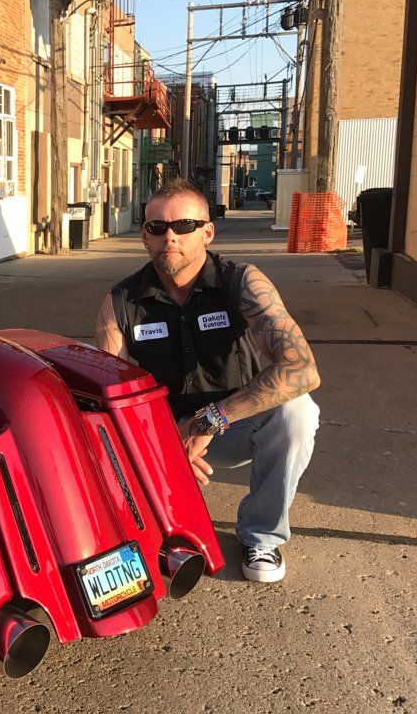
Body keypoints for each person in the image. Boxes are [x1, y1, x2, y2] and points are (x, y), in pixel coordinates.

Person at [95, 179, 320, 583]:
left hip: (234, 425)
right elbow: (108, 400)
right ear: (144, 235)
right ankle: (148, 528)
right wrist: (161, 444)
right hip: (163, 437)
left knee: (297, 412)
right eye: (157, 227)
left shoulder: (242, 283)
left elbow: (302, 369)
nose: (170, 237)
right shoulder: (120, 304)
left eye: (183, 226)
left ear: (207, 231)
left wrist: (210, 419)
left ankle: (261, 535)